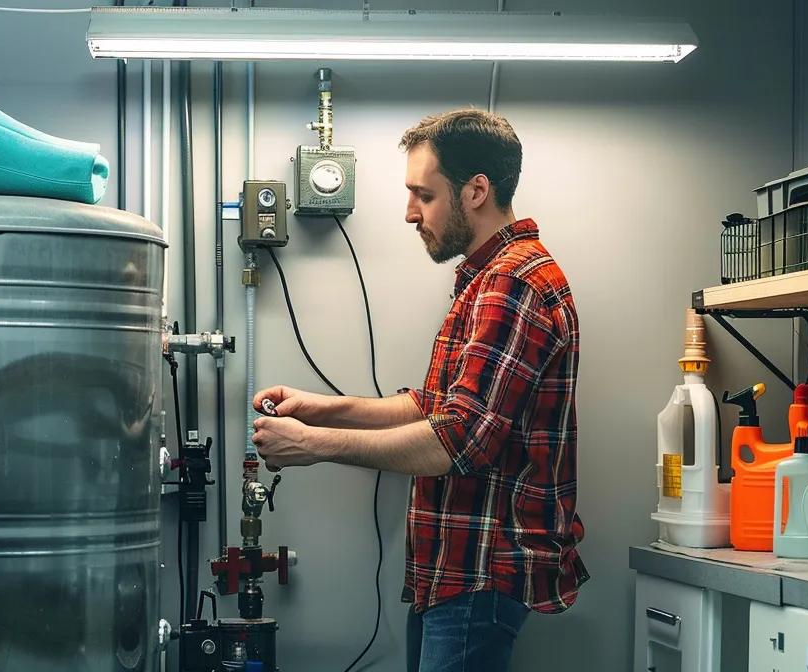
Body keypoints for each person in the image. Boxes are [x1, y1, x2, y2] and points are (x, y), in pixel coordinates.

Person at [250, 108, 586, 672]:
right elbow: (434, 408)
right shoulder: (487, 279)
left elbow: (457, 441)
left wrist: (314, 445)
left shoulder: (511, 283)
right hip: (454, 572)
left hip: (479, 572)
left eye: (423, 195)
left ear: (476, 190)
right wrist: (321, 411)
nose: (410, 213)